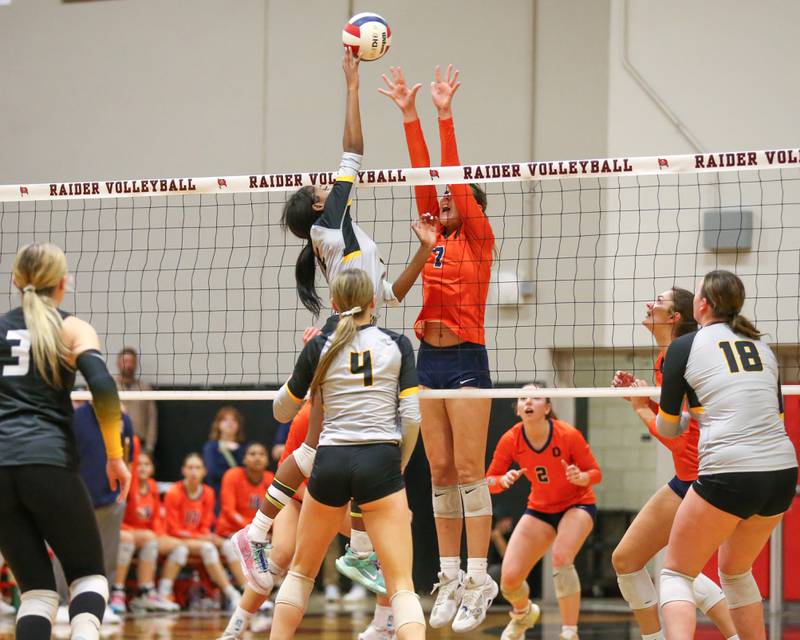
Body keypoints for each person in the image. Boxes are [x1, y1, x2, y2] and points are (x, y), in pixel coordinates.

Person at [234, 49, 436, 597]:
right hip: (344, 343)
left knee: (320, 449)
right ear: (320, 204)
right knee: (333, 446)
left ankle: (279, 535)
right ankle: (349, 549)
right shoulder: (331, 224)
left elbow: (391, 294)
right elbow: (354, 151)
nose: (330, 185)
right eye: (324, 188)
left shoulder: (346, 239)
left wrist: (424, 251)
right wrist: (352, 82)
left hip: (353, 334)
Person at [380, 63, 496, 631]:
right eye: (442, 197)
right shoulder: (434, 231)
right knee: (440, 469)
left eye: (453, 196)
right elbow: (425, 175)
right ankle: (450, 572)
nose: (444, 197)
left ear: (471, 206)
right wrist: (409, 115)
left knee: (471, 468)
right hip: (430, 359)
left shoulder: (476, 235)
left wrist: (445, 114)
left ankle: (480, 575)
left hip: (468, 358)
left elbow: (448, 170)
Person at [266, 268, 424, 640]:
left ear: (334, 305)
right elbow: (412, 417)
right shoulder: (397, 344)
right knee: (401, 583)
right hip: (381, 459)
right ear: (373, 302)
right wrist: (398, 464)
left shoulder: (320, 345)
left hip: (331, 460)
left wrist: (307, 386)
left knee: (302, 572)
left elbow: (282, 412)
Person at [655, 270, 797, 639]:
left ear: (701, 305)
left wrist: (686, 417)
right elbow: (772, 416)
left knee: (675, 573)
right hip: (782, 472)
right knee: (735, 571)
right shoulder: (763, 347)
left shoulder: (683, 348)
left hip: (731, 471)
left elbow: (668, 427)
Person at [0, 242, 131, 640]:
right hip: (48, 462)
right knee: (90, 579)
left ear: (15, 281)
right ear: (62, 285)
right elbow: (104, 389)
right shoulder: (71, 327)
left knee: (37, 593)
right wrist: (115, 456)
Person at [611, 288, 737, 640]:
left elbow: (677, 436)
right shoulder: (668, 358)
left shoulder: (678, 358)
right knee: (662, 567)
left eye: (660, 301)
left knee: (648, 565)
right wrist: (644, 401)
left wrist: (639, 406)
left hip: (700, 480)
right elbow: (679, 423)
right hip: (692, 477)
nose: (650, 303)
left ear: (675, 317)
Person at [219, 402, 395, 640]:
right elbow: (287, 470)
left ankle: (381, 626)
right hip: (296, 494)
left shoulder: (355, 412)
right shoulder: (307, 416)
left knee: (384, 544)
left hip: (331, 496)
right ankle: (235, 629)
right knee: (280, 557)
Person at [486, 384, 601, 640]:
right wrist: (501, 481)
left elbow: (595, 473)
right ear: (517, 408)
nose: (528, 401)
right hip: (540, 508)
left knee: (561, 558)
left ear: (547, 408)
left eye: (535, 398)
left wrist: (580, 477)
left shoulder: (567, 434)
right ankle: (523, 613)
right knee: (510, 580)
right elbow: (489, 481)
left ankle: (569, 632)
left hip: (577, 504)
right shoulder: (511, 439)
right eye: (522, 398)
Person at [163, 453, 241, 609]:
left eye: (197, 468)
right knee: (208, 547)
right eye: (190, 467)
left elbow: (205, 524)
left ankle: (246, 590)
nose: (193, 472)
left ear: (204, 471)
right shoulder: (174, 492)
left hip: (197, 539)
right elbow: (173, 529)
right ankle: (231, 593)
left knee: (228, 544)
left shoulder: (208, 492)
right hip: (173, 539)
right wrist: (202, 537)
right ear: (183, 471)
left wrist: (204, 536)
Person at [112, 451, 182, 612]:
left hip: (144, 534)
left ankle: (151, 592)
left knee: (177, 547)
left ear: (152, 468)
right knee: (130, 539)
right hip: (124, 531)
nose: (142, 468)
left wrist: (159, 535)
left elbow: (156, 517)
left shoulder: (151, 486)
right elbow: (117, 517)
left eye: (147, 464)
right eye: (139, 464)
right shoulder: (126, 484)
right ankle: (117, 592)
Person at [216, 443, 273, 588]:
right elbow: (229, 511)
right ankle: (247, 589)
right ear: (244, 459)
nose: (257, 458)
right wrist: (255, 530)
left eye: (261, 454)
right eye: (252, 454)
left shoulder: (270, 478)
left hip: (260, 532)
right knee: (240, 546)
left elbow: (276, 512)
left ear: (267, 460)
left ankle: (273, 588)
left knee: (281, 548)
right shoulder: (232, 475)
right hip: (230, 531)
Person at [115, 347, 158, 455]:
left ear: (136, 365)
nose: (128, 365)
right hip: (115, 441)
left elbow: (152, 417)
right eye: (125, 361)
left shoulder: (144, 388)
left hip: (139, 441)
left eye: (132, 362)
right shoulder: (110, 386)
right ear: (118, 363)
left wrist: (149, 446)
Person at [203, 406, 246, 509]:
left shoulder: (244, 449)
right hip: (217, 496)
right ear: (218, 424)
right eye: (225, 419)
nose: (230, 423)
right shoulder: (211, 446)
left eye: (234, 420)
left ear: (239, 425)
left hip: (239, 496)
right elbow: (212, 471)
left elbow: (246, 474)